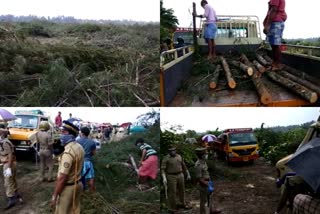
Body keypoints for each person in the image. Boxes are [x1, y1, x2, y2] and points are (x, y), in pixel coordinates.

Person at [51, 120, 84, 214]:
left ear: (71, 135)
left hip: (68, 188)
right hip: (78, 183)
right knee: (74, 210)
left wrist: (55, 195)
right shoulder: (79, 147)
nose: (61, 134)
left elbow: (62, 178)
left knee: (62, 211)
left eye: (64, 132)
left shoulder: (68, 152)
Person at [161, 147, 192, 213]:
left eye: (174, 150)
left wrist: (188, 173)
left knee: (182, 190)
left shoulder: (179, 156)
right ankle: (172, 208)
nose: (173, 152)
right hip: (171, 176)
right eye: (171, 151)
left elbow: (184, 165)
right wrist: (164, 178)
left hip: (180, 174)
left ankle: (183, 203)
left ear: (175, 151)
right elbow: (163, 169)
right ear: (169, 152)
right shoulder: (166, 158)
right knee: (172, 192)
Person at [0, 127, 23, 210]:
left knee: (7, 182)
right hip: (8, 163)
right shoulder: (3, 142)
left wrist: (8, 167)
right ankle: (16, 193)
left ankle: (11, 198)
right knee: (12, 180)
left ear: (2, 134)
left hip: (8, 164)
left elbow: (10, 154)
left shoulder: (5, 142)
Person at [195, 148, 221, 214]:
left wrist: (209, 183)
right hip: (203, 184)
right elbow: (199, 178)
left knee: (210, 198)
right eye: (205, 154)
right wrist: (207, 184)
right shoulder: (198, 165)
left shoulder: (203, 162)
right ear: (201, 155)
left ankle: (211, 210)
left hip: (208, 182)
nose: (206, 155)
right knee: (204, 201)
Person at [263, 0, 287, 71]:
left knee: (276, 44)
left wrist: (267, 25)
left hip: (275, 22)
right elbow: (271, 9)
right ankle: (274, 62)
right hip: (275, 22)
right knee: (273, 44)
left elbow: (274, 9)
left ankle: (277, 64)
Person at [77, 127, 96, 192]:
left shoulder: (77, 141)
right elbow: (94, 153)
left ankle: (80, 192)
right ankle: (92, 192)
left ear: (82, 133)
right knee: (91, 177)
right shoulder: (92, 142)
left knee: (78, 177)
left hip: (79, 161)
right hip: (88, 161)